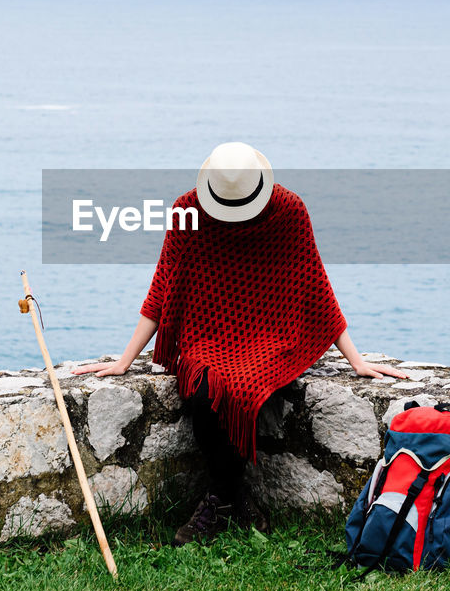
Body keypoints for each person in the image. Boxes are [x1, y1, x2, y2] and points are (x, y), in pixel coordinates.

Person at [74, 142, 406, 544]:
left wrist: (356, 360)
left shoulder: (289, 211)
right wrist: (126, 361)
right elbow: (161, 290)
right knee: (203, 392)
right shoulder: (188, 211)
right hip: (206, 336)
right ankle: (234, 498)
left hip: (274, 338)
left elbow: (317, 287)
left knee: (245, 384)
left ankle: (218, 501)